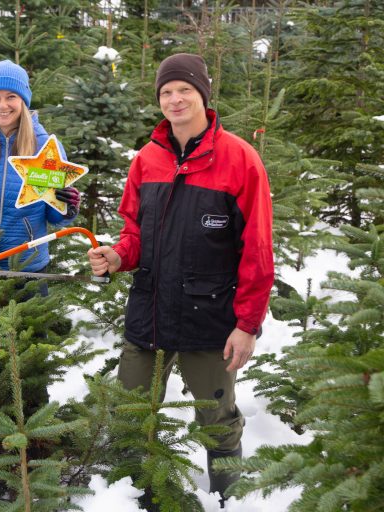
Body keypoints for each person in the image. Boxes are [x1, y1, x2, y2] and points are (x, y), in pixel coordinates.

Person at [87, 53, 274, 506]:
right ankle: (133, 494)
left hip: (208, 318)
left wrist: (247, 325)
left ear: (203, 95)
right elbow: (135, 234)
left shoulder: (240, 160)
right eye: (166, 92)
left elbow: (257, 251)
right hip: (148, 311)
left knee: (216, 418)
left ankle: (229, 496)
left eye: (184, 90)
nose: (175, 99)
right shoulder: (147, 160)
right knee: (131, 412)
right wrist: (117, 255)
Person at [0, 60, 81, 277]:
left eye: (11, 96)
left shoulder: (46, 148)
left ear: (23, 100)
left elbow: (55, 217)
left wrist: (67, 206)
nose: (2, 106)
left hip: (28, 269)